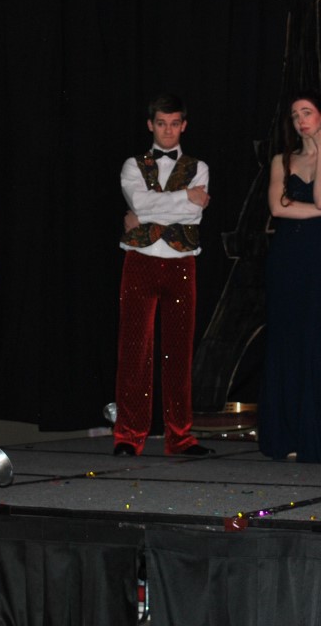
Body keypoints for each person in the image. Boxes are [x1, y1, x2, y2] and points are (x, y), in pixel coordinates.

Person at [258, 91, 321, 463]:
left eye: (307, 112)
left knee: (315, 340)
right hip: (286, 256)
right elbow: (278, 208)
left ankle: (320, 437)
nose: (301, 120)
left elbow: (320, 198)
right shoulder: (281, 160)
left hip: (320, 256)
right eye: (295, 114)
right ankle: (285, 436)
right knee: (285, 339)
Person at [113, 93, 214, 457]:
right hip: (139, 261)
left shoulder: (199, 167)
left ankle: (180, 436)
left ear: (183, 125)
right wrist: (183, 199)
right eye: (161, 124)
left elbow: (194, 216)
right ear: (150, 125)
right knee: (134, 350)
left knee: (179, 352)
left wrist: (145, 214)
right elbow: (140, 202)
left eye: (174, 124)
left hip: (181, 263)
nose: (168, 131)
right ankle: (129, 434)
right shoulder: (132, 165)